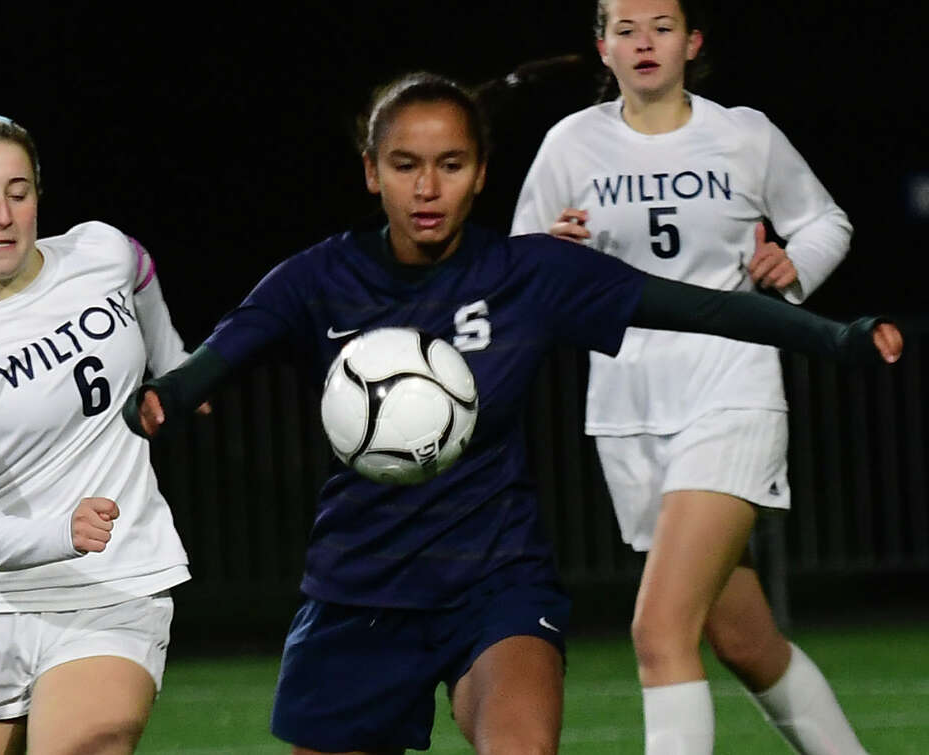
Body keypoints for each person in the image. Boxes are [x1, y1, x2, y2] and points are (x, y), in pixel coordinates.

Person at [124, 72, 899, 755]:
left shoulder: (527, 274)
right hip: (358, 586)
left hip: (497, 581)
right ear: (371, 172)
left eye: (451, 165)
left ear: (482, 173)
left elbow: (701, 308)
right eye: (405, 166)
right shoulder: (318, 279)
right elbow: (224, 349)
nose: (428, 188)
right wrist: (170, 394)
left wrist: (837, 337)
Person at [510, 1, 876, 753]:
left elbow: (825, 222)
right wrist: (549, 250)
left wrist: (794, 264)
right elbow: (517, 273)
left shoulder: (743, 132)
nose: (645, 41)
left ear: (693, 42)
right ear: (603, 48)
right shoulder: (570, 144)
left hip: (731, 390)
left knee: (659, 628)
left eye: (663, 26)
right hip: (627, 407)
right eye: (626, 29)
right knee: (745, 638)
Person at [0, 98, 200, 754]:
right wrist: (59, 530)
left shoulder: (99, 250)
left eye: (19, 191)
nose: (3, 216)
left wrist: (173, 368)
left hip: (113, 581)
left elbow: (139, 269)